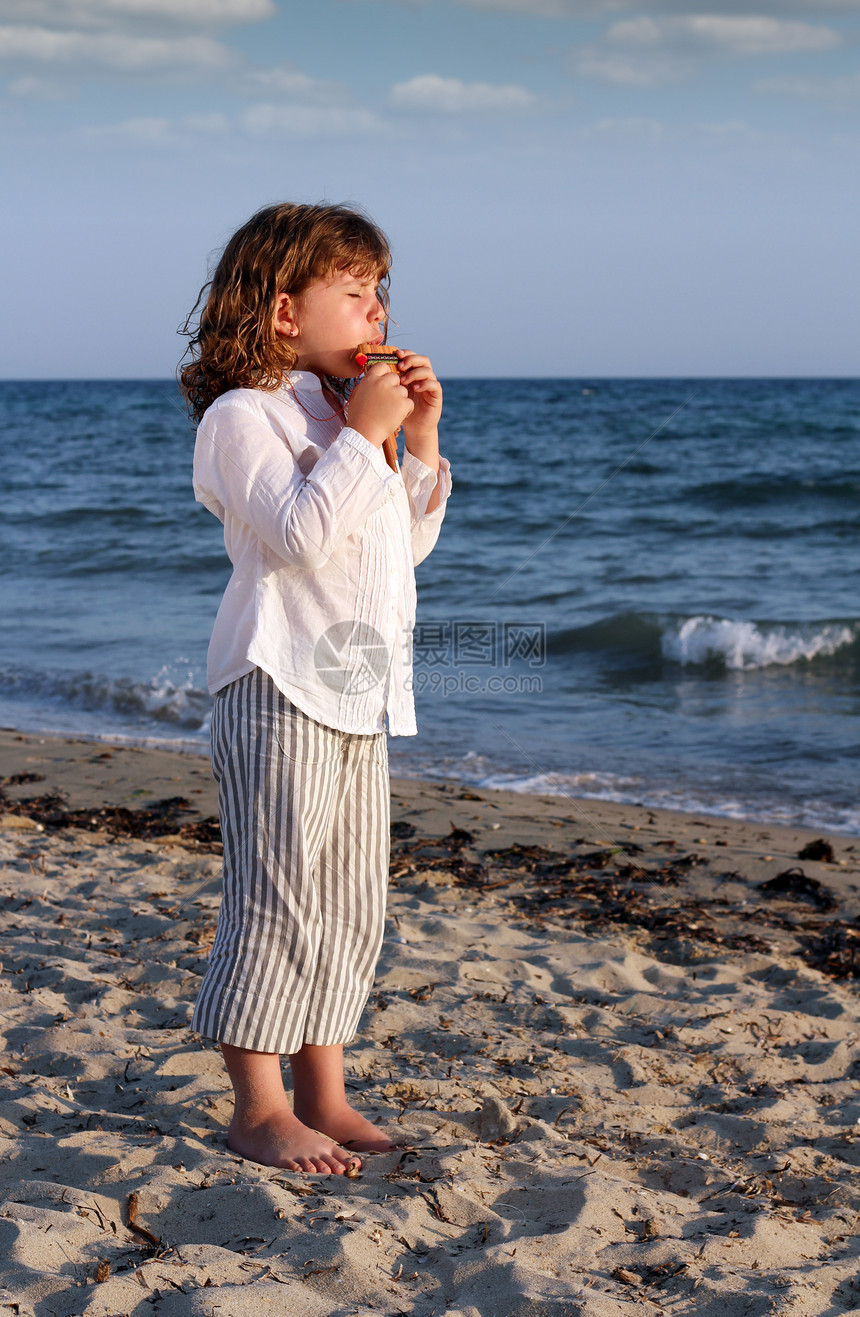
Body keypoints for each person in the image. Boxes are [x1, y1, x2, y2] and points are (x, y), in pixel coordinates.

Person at [178, 202, 452, 1175]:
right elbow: (296, 536)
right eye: (353, 292)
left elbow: (397, 546)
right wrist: (358, 437)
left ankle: (321, 1092)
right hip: (277, 681)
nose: (376, 312)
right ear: (284, 310)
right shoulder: (240, 417)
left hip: (358, 689)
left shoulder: (348, 419)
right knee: (277, 898)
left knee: (347, 903)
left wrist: (409, 441)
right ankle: (256, 1106)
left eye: (381, 293)